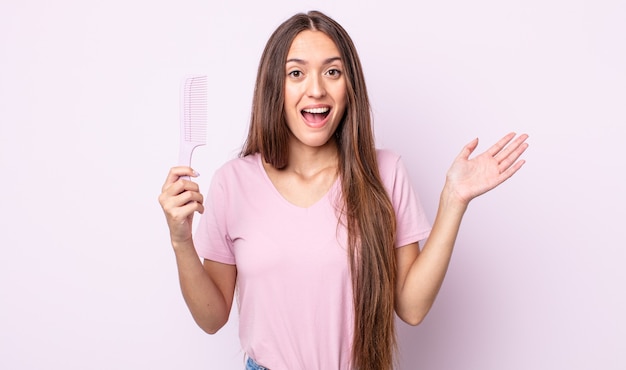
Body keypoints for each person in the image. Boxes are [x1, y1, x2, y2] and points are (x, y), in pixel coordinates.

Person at [159, 10, 528, 370]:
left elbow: (412, 308)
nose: (316, 89)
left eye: (332, 72)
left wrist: (453, 201)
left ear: (349, 86)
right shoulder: (233, 182)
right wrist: (181, 241)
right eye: (296, 73)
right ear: (275, 86)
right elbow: (211, 318)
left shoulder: (385, 173)